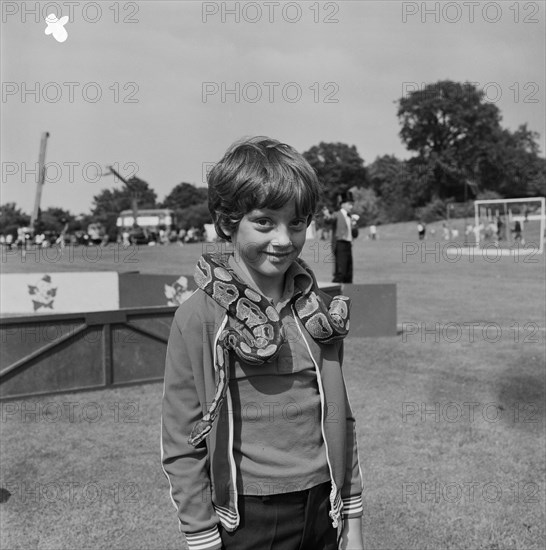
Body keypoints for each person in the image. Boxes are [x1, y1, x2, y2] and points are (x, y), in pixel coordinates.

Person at [161, 137, 364, 550]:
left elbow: (340, 415)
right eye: (265, 222)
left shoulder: (320, 314)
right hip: (249, 515)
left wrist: (353, 518)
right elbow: (183, 439)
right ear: (226, 221)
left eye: (297, 223)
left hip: (324, 503)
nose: (284, 239)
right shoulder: (199, 318)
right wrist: (202, 537)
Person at [329, 191, 356, 283]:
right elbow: (330, 219)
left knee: (349, 273)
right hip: (340, 244)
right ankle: (335, 292)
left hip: (348, 245)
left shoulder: (351, 217)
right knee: (341, 272)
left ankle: (348, 294)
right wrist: (327, 216)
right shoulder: (337, 214)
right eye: (349, 204)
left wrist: (354, 224)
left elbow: (355, 234)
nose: (351, 207)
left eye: (352, 204)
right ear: (343, 204)